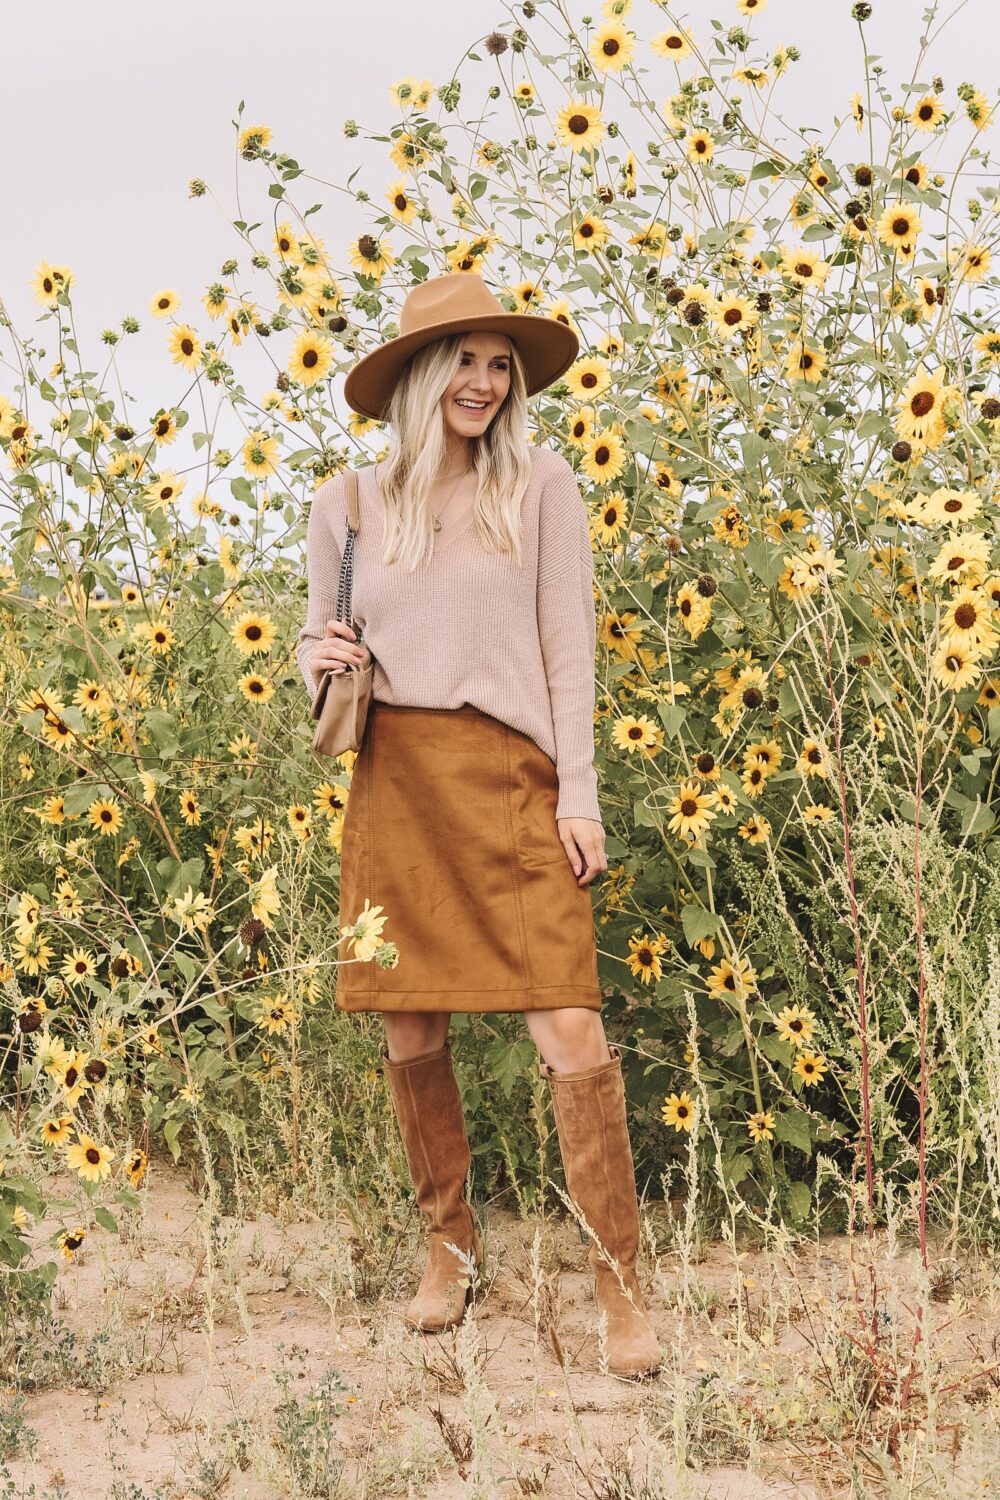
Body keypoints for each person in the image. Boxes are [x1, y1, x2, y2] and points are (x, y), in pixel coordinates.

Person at [295, 271, 661, 1378]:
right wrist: (310, 657)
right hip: (395, 781)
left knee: (569, 1028)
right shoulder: (346, 503)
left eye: (500, 363)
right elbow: (324, 649)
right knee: (409, 1024)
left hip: (513, 779)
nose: (485, 382)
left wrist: (580, 793)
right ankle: (446, 1248)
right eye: (464, 358)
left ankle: (618, 1284)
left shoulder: (539, 485)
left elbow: (567, 651)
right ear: (416, 374)